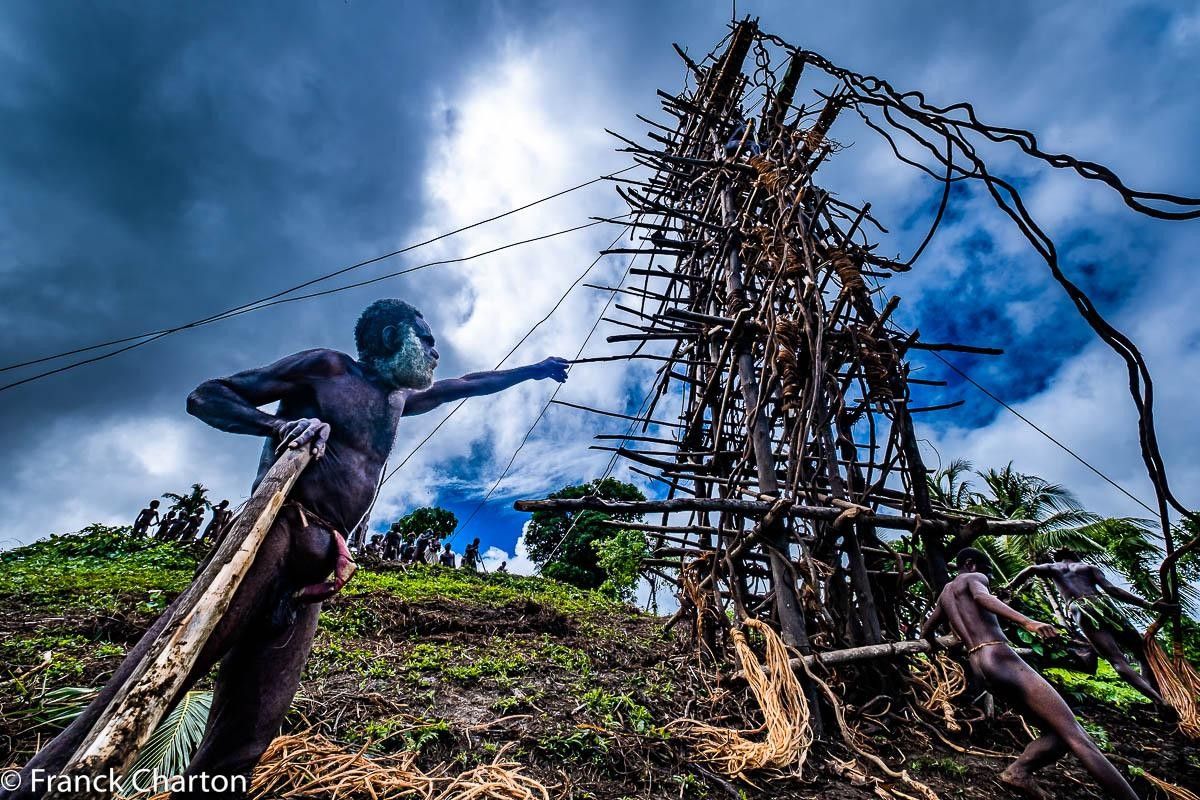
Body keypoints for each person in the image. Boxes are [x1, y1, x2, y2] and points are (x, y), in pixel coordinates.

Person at [3, 298, 569, 800]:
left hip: (317, 569)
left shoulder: (398, 401)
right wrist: (275, 429)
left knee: (250, 727)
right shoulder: (326, 369)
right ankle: (40, 785)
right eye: (426, 339)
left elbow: (471, 383)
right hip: (275, 531)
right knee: (165, 667)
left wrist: (537, 371)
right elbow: (207, 396)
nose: (436, 352)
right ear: (387, 340)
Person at [921, 547, 1138, 800]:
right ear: (970, 564)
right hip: (999, 656)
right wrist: (1028, 622)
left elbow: (926, 631)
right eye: (987, 571)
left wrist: (936, 646)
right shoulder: (974, 578)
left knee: (1057, 735)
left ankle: (1018, 771)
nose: (988, 577)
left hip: (979, 664)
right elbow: (982, 599)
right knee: (1079, 737)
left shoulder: (945, 595)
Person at [1004, 548, 1172, 704]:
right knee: (1141, 652)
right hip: (1102, 603)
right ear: (1075, 556)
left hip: (1080, 608)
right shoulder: (1088, 567)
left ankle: (1157, 700)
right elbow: (1112, 590)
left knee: (1116, 660)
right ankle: (1158, 697)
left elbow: (1030, 570)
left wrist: (1009, 587)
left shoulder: (1052, 568)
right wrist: (1148, 604)